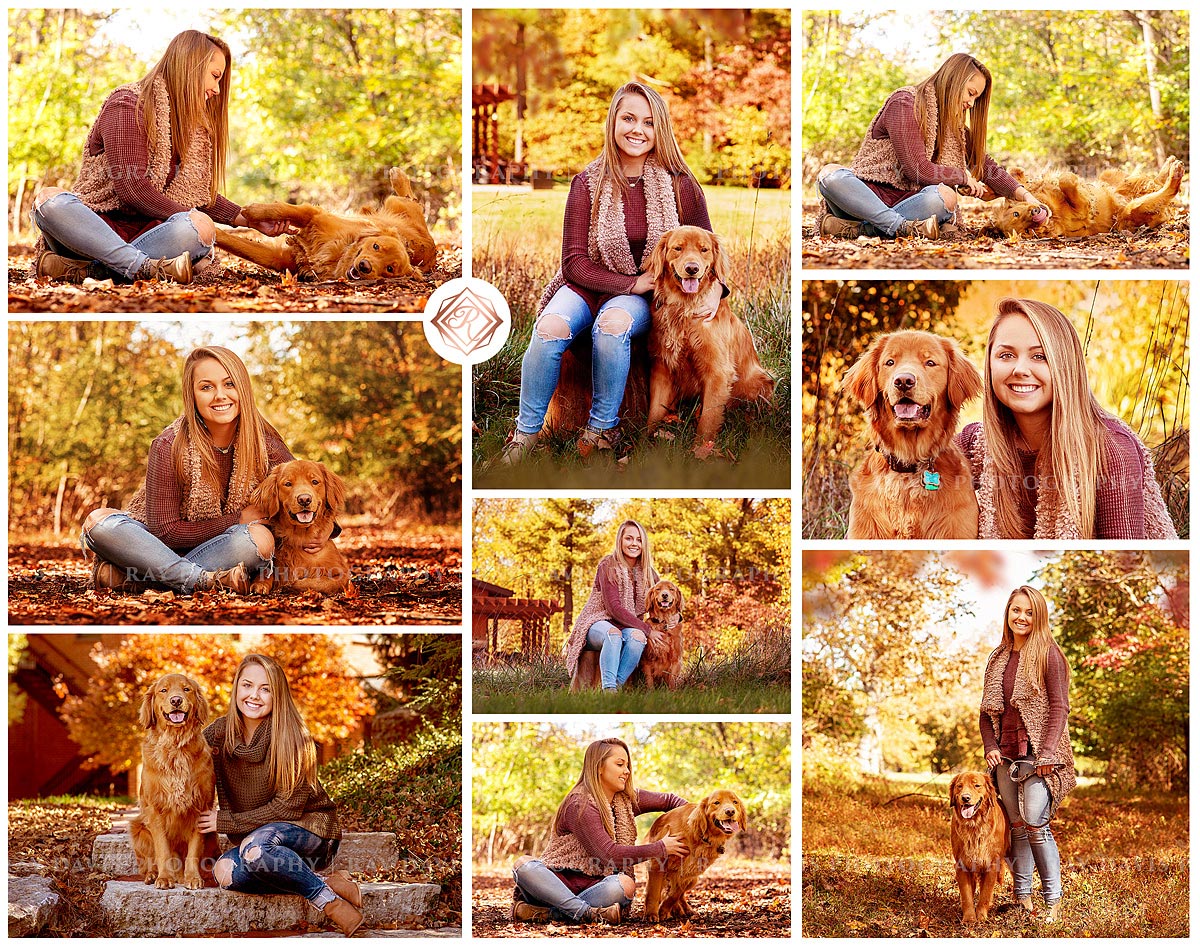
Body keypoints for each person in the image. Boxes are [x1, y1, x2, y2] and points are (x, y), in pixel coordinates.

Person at [501, 81, 723, 463]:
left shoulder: (680, 184)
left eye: (649, 122)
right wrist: (630, 282)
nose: (638, 130)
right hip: (588, 283)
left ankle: (601, 429)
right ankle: (525, 436)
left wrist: (719, 290)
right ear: (614, 122)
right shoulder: (587, 182)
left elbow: (707, 247)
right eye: (629, 118)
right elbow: (572, 262)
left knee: (613, 325)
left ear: (660, 129)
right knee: (549, 329)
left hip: (642, 296)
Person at [30, 30, 288, 285]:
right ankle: (142, 268)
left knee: (197, 228)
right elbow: (132, 188)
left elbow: (195, 195)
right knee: (49, 202)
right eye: (214, 76)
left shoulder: (189, 129)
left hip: (151, 237)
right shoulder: (127, 105)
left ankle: (86, 271)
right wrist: (193, 215)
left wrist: (247, 219)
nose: (217, 89)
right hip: (95, 232)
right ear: (191, 65)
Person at [956, 297, 1178, 539]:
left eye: (1039, 356)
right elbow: (923, 483)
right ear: (989, 363)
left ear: (1066, 364)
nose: (1020, 369)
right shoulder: (975, 443)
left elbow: (1124, 556)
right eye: (1006, 355)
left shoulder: (1111, 449)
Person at [80, 345, 289, 594]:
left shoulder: (266, 445)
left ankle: (141, 578)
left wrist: (324, 531)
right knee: (99, 523)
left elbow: (307, 492)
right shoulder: (169, 445)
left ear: (243, 388)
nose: (220, 395)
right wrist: (238, 518)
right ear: (192, 395)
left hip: (220, 549)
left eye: (229, 384)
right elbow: (166, 532)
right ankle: (203, 581)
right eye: (206, 387)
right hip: (156, 544)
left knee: (258, 541)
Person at [200, 654, 362, 936]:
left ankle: (327, 901)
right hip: (261, 846)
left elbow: (286, 809)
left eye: (265, 689)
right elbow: (185, 754)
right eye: (247, 685)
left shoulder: (293, 735)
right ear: (236, 688)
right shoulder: (218, 733)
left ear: (278, 695)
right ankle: (325, 881)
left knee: (257, 848)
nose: (254, 696)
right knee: (223, 871)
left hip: (310, 832)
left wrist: (224, 821)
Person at [815, 53, 1044, 240]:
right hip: (867, 199)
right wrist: (962, 177)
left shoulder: (955, 129)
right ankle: (900, 227)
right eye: (970, 93)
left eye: (976, 99)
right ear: (954, 80)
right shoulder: (905, 103)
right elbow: (916, 169)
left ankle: (858, 229)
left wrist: (1026, 196)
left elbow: (987, 167)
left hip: (913, 205)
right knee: (830, 175)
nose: (971, 104)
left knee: (945, 196)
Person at [510, 737, 690, 925]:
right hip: (556, 885)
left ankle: (543, 913)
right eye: (620, 764)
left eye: (627, 765)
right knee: (524, 864)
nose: (627, 771)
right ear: (599, 767)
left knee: (625, 884)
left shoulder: (626, 800)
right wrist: (660, 848)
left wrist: (696, 825)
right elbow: (608, 855)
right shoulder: (580, 804)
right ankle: (587, 913)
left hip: (596, 888)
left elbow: (671, 801)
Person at [980, 585, 1076, 924]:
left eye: (1029, 611)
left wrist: (1047, 752)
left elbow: (1060, 708)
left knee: (1036, 822)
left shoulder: (1049, 654)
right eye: (1016, 610)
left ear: (1039, 616)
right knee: (1017, 825)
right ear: (1007, 613)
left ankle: (1053, 901)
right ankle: (1023, 899)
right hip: (1005, 754)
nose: (1021, 617)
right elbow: (985, 712)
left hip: (1040, 753)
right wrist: (991, 746)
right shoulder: (998, 657)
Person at [564, 520, 672, 691]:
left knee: (638, 638)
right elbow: (613, 608)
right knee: (613, 634)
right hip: (597, 621)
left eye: (638, 540)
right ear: (620, 540)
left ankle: (615, 687)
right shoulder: (608, 565)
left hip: (627, 626)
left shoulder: (649, 573)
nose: (634, 544)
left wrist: (670, 624)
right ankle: (608, 690)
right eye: (629, 538)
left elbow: (660, 603)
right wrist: (648, 629)